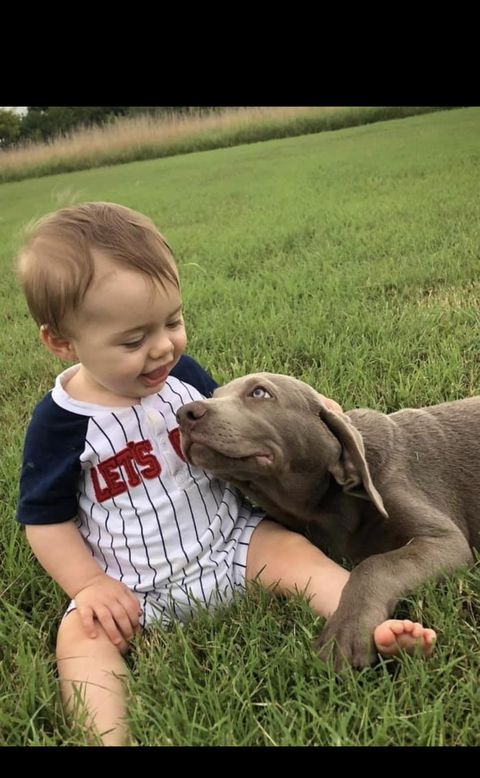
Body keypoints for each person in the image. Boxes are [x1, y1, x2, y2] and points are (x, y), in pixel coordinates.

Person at [16, 202, 436, 746]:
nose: (163, 347)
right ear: (62, 342)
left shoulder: (180, 377)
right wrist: (91, 586)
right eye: (132, 340)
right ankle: (106, 735)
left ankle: (368, 627)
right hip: (134, 583)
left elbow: (235, 420)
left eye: (172, 321)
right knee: (80, 633)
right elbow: (44, 522)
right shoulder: (60, 425)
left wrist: (317, 412)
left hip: (231, 541)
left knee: (294, 553)